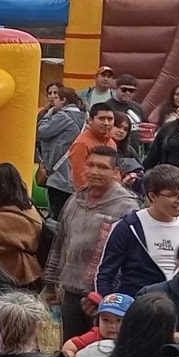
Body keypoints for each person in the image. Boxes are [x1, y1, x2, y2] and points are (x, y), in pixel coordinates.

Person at [47, 144, 137, 336]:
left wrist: (107, 296)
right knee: (69, 350)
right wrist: (49, 283)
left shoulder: (127, 207)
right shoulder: (74, 200)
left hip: (104, 298)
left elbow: (128, 258)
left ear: (116, 172)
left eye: (103, 167)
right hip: (70, 292)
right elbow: (59, 243)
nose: (95, 171)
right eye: (91, 165)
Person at [97, 165, 179, 299]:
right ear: (152, 196)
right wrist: (109, 307)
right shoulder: (129, 226)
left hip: (176, 307)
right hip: (136, 305)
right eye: (172, 195)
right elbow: (105, 274)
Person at [0, 165, 44, 287]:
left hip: (17, 280)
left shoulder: (6, 219)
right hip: (28, 277)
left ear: (2, 186)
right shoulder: (27, 208)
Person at [36, 84, 86, 214]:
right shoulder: (82, 117)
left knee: (56, 212)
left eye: (56, 97)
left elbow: (42, 132)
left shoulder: (63, 116)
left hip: (58, 174)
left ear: (63, 100)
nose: (53, 100)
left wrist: (49, 114)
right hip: (70, 171)